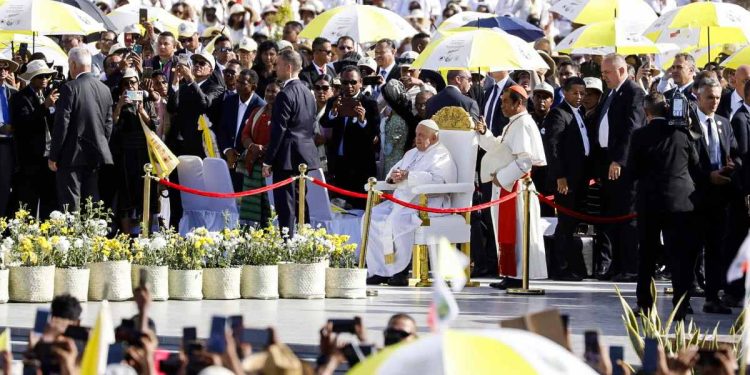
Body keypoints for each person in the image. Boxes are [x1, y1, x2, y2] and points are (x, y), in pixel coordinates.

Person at [630, 93, 700, 321]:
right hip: (680, 202)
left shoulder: (640, 135)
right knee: (680, 256)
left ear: (646, 112)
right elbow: (696, 164)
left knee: (647, 254)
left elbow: (632, 171)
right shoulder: (682, 134)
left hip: (650, 201)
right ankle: (681, 305)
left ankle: (645, 304)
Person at [365, 120, 457, 286]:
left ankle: (400, 271)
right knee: (371, 216)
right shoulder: (411, 153)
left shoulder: (441, 156)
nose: (417, 138)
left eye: (422, 135)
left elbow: (441, 182)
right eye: (416, 134)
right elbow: (395, 171)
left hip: (427, 204)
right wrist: (393, 178)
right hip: (401, 201)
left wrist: (410, 176)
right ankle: (380, 270)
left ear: (434, 137)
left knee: (399, 221)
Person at [476, 85, 547, 290]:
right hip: (507, 186)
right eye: (502, 101)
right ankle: (510, 274)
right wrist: (484, 132)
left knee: (517, 233)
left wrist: (501, 177)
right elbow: (500, 149)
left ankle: (517, 275)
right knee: (506, 233)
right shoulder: (513, 123)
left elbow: (525, 161)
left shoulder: (523, 124)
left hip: (516, 187)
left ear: (519, 103)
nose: (502, 105)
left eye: (506, 101)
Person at [592, 54, 645, 282]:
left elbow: (632, 128)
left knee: (626, 217)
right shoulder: (610, 94)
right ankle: (614, 265)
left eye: (607, 73)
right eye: (602, 73)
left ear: (622, 70)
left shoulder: (634, 92)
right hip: (607, 161)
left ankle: (630, 266)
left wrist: (619, 160)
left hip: (624, 165)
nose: (604, 77)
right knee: (612, 216)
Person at [689, 78, 739, 314]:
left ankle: (712, 297)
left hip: (719, 199)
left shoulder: (723, 123)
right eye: (710, 97)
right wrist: (708, 176)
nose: (714, 102)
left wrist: (732, 165)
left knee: (715, 249)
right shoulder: (688, 125)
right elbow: (686, 161)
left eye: (718, 97)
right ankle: (684, 296)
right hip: (694, 197)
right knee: (690, 250)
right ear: (698, 97)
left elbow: (736, 152)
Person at [49, 47, 113, 211]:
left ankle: (72, 236)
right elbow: (108, 124)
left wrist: (54, 154)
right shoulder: (104, 89)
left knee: (71, 205)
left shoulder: (70, 88)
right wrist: (101, 144)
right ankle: (92, 236)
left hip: (70, 156)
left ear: (73, 64)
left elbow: (62, 124)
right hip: (95, 154)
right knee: (91, 203)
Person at [262, 50, 319, 233]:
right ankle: (306, 238)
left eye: (278, 64)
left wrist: (268, 160)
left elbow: (279, 130)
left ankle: (288, 242)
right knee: (300, 200)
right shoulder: (307, 92)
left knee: (286, 203)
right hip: (304, 153)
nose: (275, 68)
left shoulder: (285, 94)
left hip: (287, 156)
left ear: (288, 67)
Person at [544, 77, 590, 281]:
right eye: (575, 93)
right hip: (566, 180)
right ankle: (561, 267)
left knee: (572, 225)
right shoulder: (557, 114)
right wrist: (560, 177)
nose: (579, 97)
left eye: (582, 93)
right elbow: (553, 148)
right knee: (565, 224)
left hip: (580, 179)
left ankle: (573, 265)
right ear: (565, 92)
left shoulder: (579, 113)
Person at [320, 66, 381, 209]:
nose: (349, 86)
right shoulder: (334, 101)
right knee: (339, 206)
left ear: (360, 82)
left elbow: (375, 133)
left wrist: (362, 120)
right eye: (345, 82)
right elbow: (324, 122)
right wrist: (334, 112)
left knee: (359, 207)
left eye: (353, 82)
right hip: (339, 164)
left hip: (360, 165)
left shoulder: (369, 103)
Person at [111, 68, 160, 234]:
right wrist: (119, 105)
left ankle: (145, 233)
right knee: (126, 194)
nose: (130, 86)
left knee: (147, 194)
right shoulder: (118, 101)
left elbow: (155, 125)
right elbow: (112, 124)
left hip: (145, 152)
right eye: (126, 83)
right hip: (125, 154)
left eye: (133, 82)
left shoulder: (145, 100)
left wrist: (142, 112)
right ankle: (126, 237)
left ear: (138, 83)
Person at [10, 60, 58, 219]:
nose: (45, 79)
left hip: (49, 155)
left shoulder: (49, 95)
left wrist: (51, 106)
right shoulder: (19, 97)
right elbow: (23, 124)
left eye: (47, 76)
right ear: (32, 78)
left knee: (48, 200)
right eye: (40, 76)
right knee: (28, 200)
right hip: (30, 158)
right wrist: (44, 106)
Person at [219, 69, 266, 192]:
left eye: (242, 83)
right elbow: (223, 129)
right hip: (228, 160)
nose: (237, 85)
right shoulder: (230, 101)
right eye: (237, 81)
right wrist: (228, 150)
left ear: (253, 86)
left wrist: (241, 154)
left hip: (248, 163)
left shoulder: (260, 107)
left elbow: (258, 137)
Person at [239, 81, 279, 225]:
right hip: (252, 165)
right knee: (251, 206)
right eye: (268, 91)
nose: (270, 94)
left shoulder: (282, 114)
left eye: (274, 91)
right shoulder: (257, 112)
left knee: (270, 207)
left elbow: (280, 138)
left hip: (271, 167)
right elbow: (244, 135)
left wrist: (264, 149)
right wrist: (252, 146)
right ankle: (249, 237)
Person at [0, 56, 18, 218]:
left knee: (5, 185)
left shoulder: (12, 92)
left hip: (8, 143)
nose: (3, 72)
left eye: (5, 68)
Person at [312, 75, 334, 173]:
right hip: (310, 158)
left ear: (332, 90)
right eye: (317, 88)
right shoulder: (307, 109)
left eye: (325, 88)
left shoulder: (336, 109)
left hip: (331, 159)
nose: (321, 91)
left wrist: (326, 140)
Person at [482, 70, 514, 135]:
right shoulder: (489, 91)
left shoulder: (514, 89)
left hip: (504, 141)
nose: (491, 68)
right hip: (485, 141)